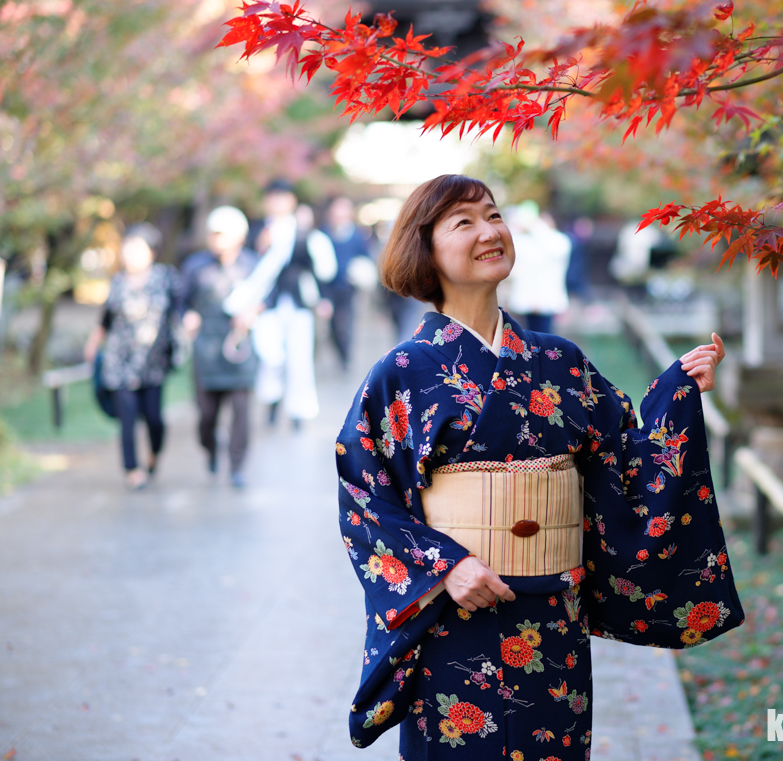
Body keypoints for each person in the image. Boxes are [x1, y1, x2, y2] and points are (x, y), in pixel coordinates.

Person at [334, 175, 743, 758]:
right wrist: (445, 568)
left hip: (552, 615)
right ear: (425, 248)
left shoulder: (558, 360)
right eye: (465, 221)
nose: (490, 231)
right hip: (458, 611)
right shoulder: (402, 372)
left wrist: (676, 391)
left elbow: (625, 456)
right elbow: (364, 494)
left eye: (493, 215)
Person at [225, 181, 337, 430]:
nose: (277, 202)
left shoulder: (304, 232)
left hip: (298, 304)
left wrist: (323, 299)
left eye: (282, 197)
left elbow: (318, 270)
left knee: (300, 358)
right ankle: (272, 400)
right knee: (270, 356)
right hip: (265, 306)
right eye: (273, 197)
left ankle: (298, 412)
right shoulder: (255, 231)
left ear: (292, 201)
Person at [84, 223, 180, 490]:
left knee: (154, 419)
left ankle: (154, 454)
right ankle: (131, 469)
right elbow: (106, 317)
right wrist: (93, 343)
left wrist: (187, 323)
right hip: (119, 360)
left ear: (152, 252)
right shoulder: (117, 282)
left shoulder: (165, 278)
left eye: (137, 250)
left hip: (152, 361)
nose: (130, 256)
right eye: (127, 250)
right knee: (127, 417)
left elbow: (179, 308)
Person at [179, 206, 260, 487]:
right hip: (206, 348)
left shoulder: (252, 265)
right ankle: (210, 449)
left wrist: (254, 312)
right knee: (206, 415)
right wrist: (186, 316)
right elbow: (181, 302)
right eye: (213, 233)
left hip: (240, 347)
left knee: (241, 411)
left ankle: (237, 466)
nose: (216, 239)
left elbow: (268, 297)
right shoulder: (195, 266)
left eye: (222, 233)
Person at [320, 196, 375, 372]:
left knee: (347, 322)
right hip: (328, 288)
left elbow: (365, 258)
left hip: (348, 288)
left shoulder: (357, 236)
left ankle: (346, 357)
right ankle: (340, 352)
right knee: (333, 326)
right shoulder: (324, 234)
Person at [501, 201, 571, 335]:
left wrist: (534, 225)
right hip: (525, 301)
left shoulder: (559, 242)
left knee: (545, 338)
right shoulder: (526, 243)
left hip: (546, 302)